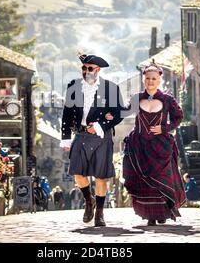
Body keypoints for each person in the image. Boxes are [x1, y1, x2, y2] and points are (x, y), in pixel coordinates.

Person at [60, 53, 125, 227]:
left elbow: (119, 114)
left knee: (101, 177)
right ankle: (89, 201)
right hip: (80, 135)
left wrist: (100, 124)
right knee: (78, 174)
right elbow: (66, 114)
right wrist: (66, 138)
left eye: (89, 68)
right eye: (83, 68)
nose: (86, 71)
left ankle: (100, 213)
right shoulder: (73, 86)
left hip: (101, 138)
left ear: (97, 70)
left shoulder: (111, 88)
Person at [121, 62, 186, 226]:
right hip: (140, 145)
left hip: (160, 146)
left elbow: (178, 117)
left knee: (162, 180)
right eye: (148, 78)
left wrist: (165, 128)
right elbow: (124, 112)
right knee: (145, 182)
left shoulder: (167, 100)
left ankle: (163, 211)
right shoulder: (137, 98)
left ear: (159, 80)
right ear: (144, 79)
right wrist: (107, 114)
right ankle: (150, 215)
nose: (150, 81)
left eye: (154, 78)